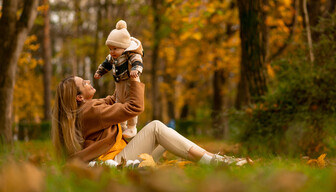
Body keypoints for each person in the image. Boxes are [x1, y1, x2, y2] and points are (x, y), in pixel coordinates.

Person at [51, 75, 250, 166]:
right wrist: (135, 81)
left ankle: (217, 160)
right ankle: (214, 162)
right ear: (79, 97)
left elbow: (112, 100)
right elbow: (134, 108)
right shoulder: (91, 110)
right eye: (83, 83)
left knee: (165, 135)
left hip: (120, 159)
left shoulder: (85, 110)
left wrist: (123, 74)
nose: (88, 81)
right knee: (155, 127)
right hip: (118, 163)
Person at [94, 19, 143, 139]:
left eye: (115, 49)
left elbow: (138, 61)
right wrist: (100, 72)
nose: (112, 52)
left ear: (124, 47)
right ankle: (122, 125)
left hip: (130, 83)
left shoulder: (130, 54)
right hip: (119, 84)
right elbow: (106, 64)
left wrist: (135, 70)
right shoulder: (112, 56)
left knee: (130, 103)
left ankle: (132, 126)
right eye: (110, 49)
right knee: (119, 103)